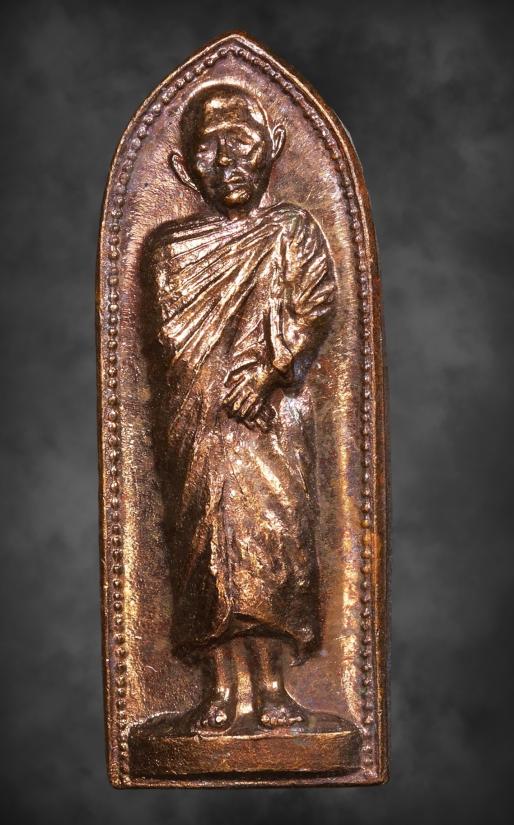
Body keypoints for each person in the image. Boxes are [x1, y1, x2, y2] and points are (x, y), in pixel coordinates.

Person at [141, 84, 336, 733]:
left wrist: (270, 371)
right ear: (184, 167)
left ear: (271, 148)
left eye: (242, 145)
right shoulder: (171, 249)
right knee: (208, 550)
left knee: (274, 543)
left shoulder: (292, 231)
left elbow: (316, 306)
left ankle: (275, 688)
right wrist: (219, 391)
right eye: (211, 151)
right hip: (199, 426)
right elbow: (170, 344)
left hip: (270, 426)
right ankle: (224, 689)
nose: (228, 164)